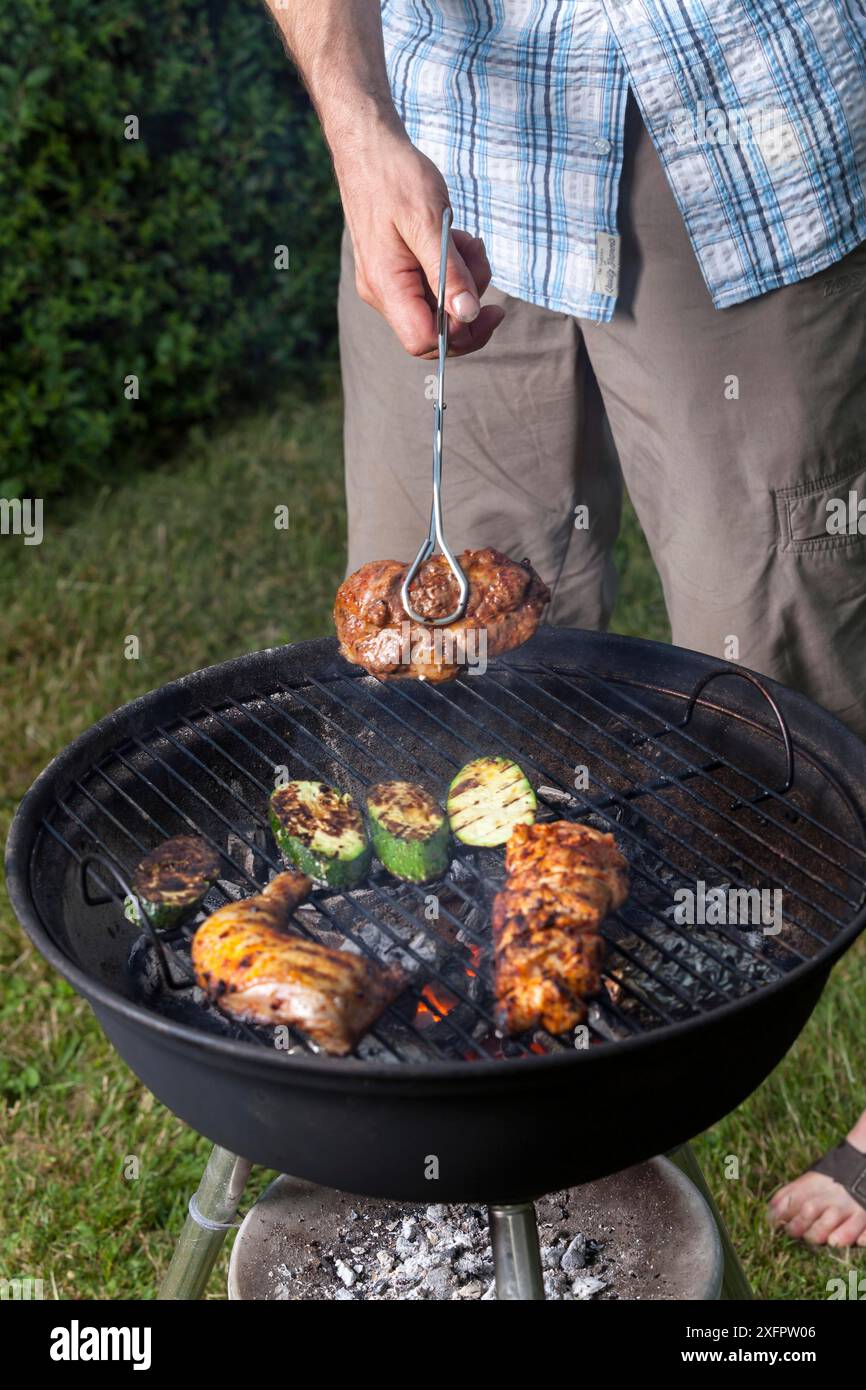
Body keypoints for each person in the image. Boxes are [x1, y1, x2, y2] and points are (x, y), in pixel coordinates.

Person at [266, 1, 866, 1248]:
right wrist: (357, 121)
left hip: (734, 123)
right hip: (446, 151)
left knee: (797, 675)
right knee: (434, 695)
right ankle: (486, 1061)